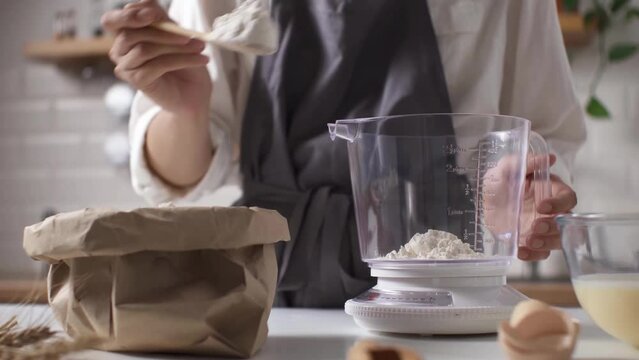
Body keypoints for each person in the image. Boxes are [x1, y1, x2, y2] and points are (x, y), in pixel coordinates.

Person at [102, 0, 586, 307]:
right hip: (269, 293)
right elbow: (181, 177)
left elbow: (547, 134)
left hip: (451, 293)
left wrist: (520, 196)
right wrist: (186, 110)